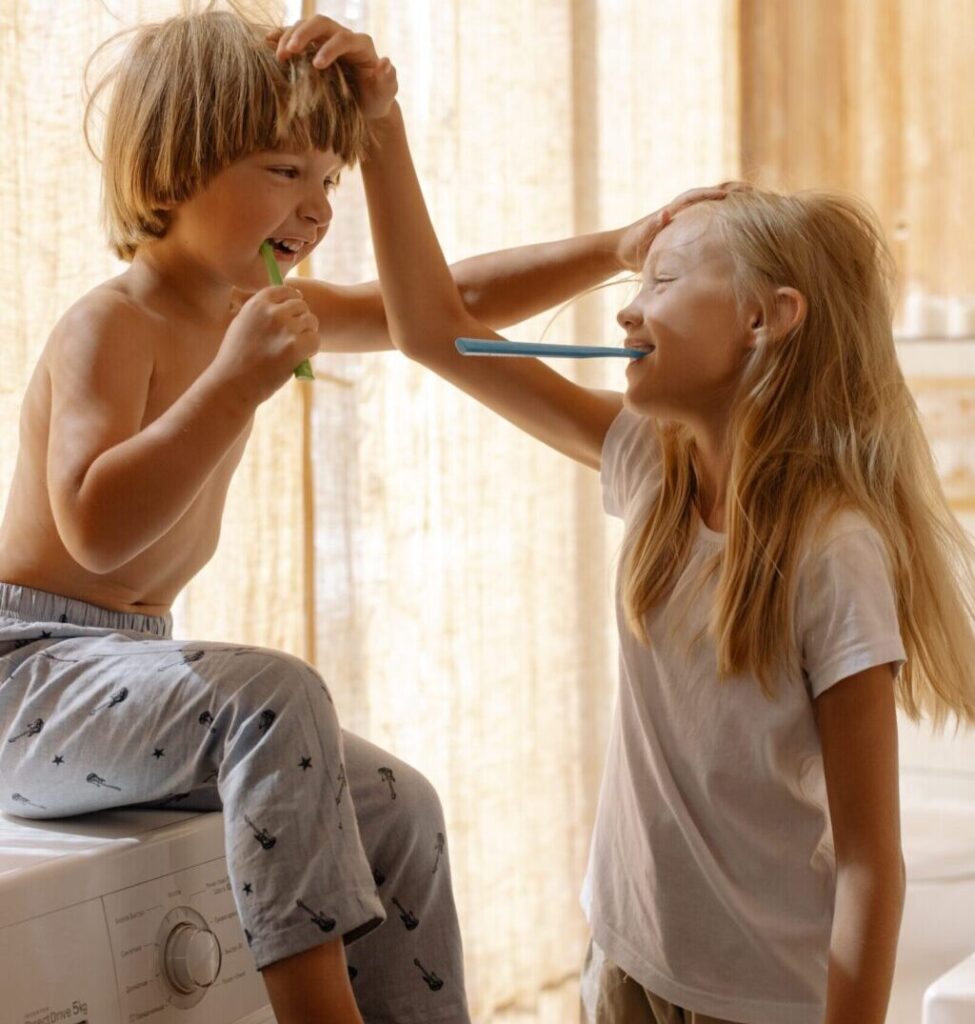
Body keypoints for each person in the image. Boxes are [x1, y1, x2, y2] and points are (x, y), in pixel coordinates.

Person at [0, 9, 674, 1024]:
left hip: (131, 667)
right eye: (286, 172)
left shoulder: (245, 307)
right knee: (278, 693)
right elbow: (94, 527)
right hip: (31, 673)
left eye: (329, 178)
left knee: (397, 806)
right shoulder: (115, 320)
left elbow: (438, 306)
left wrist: (619, 246)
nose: (316, 209)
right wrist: (229, 389)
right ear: (177, 165)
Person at [320, 13, 975, 1022]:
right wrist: (383, 124)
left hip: (759, 1001)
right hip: (624, 967)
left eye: (662, 283)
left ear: (766, 319)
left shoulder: (832, 552)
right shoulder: (655, 472)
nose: (627, 311)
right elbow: (435, 333)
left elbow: (870, 866)